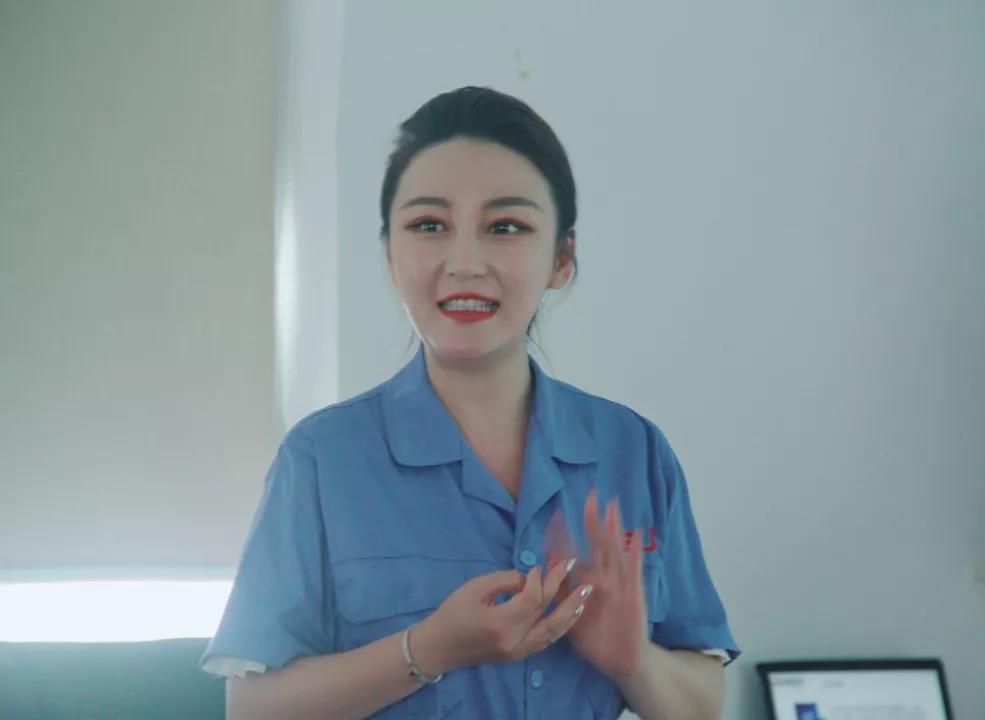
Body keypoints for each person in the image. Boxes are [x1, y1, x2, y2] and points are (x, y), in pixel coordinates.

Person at [200, 86, 740, 720]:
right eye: (429, 225)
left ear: (562, 258)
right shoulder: (322, 459)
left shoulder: (634, 450)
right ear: (390, 254)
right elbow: (252, 708)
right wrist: (428, 649)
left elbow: (702, 705)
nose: (464, 262)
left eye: (505, 227)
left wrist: (632, 660)